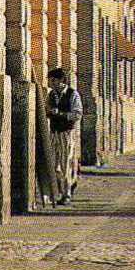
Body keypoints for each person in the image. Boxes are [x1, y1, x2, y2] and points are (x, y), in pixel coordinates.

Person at [47, 67, 82, 204]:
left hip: (66, 133)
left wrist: (60, 114)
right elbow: (48, 109)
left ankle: (66, 194)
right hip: (54, 132)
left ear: (61, 80)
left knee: (65, 163)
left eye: (53, 80)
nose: (51, 83)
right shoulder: (52, 95)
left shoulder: (73, 94)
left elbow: (77, 114)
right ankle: (61, 190)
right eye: (50, 80)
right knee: (55, 165)